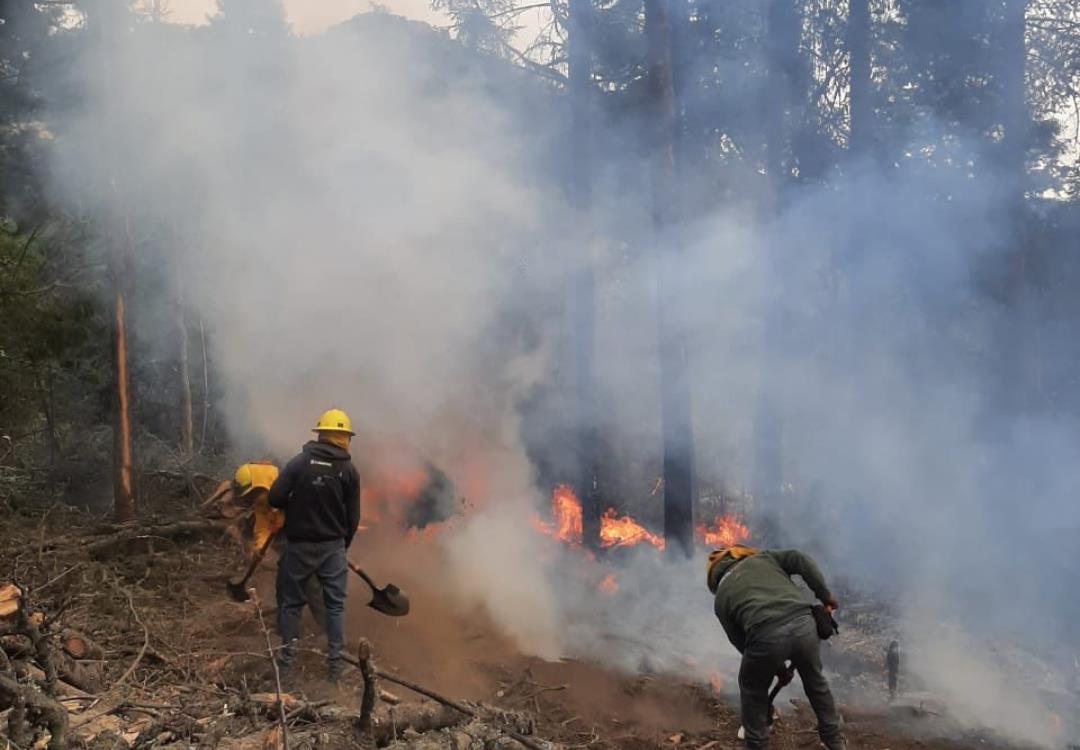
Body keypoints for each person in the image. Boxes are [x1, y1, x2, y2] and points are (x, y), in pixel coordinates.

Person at [707, 544, 845, 750]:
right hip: (804, 625)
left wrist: (778, 669)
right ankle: (834, 742)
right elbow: (799, 559)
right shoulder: (764, 558)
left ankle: (757, 744)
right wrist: (825, 596)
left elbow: (743, 643)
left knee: (752, 689)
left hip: (765, 636)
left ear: (715, 577)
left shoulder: (721, 599)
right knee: (816, 683)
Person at [268, 409, 361, 683]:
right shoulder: (349, 471)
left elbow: (274, 498)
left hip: (299, 546)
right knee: (334, 607)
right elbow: (353, 517)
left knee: (291, 605)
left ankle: (285, 669)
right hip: (332, 547)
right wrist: (342, 547)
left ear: (320, 434)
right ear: (345, 438)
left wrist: (295, 502)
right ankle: (336, 670)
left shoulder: (300, 463)